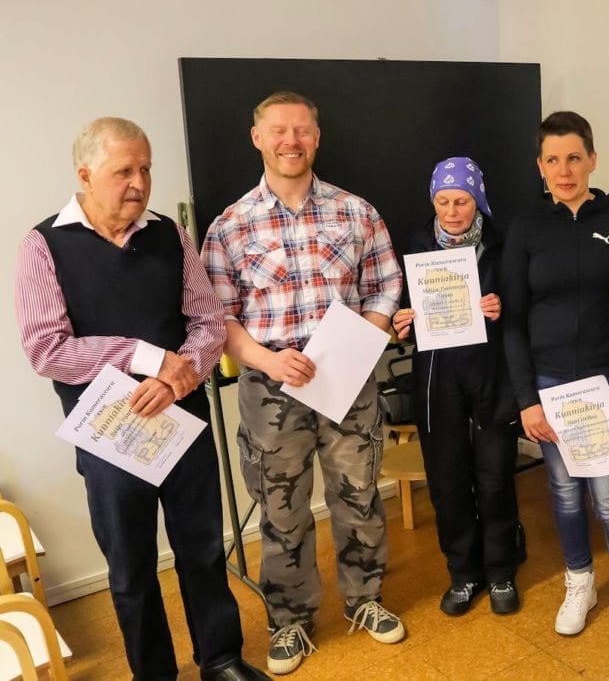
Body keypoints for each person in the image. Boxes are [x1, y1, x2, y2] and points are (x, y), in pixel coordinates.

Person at [14, 117, 268, 681]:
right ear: (85, 175)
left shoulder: (169, 235)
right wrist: (145, 357)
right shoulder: (43, 245)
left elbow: (208, 323)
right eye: (124, 171)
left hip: (183, 420)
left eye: (146, 168)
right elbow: (46, 350)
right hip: (109, 435)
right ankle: (153, 673)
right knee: (130, 566)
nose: (139, 182)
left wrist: (177, 378)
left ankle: (221, 658)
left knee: (203, 548)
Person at [201, 91, 405, 675]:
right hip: (271, 389)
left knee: (359, 495)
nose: (291, 141)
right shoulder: (229, 226)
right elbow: (219, 319)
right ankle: (290, 620)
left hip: (349, 382)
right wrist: (267, 361)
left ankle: (365, 600)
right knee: (281, 510)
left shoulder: (357, 212)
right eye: (279, 130)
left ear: (316, 138)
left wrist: (358, 342)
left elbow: (384, 287)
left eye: (302, 131)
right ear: (257, 138)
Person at [502, 111, 609, 659]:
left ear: (592, 159)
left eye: (573, 158)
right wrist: (527, 400)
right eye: (553, 160)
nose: (564, 170)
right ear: (539, 167)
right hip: (549, 386)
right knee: (565, 493)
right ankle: (580, 583)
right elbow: (513, 321)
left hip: (607, 383)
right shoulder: (526, 228)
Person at [391, 157, 522, 616]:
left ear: (478, 201)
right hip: (436, 376)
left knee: (495, 476)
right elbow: (401, 309)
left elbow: (523, 305)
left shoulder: (503, 244)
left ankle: (501, 569)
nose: (451, 211)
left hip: (493, 373)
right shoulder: (415, 244)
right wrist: (401, 321)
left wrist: (503, 307)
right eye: (443, 201)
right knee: (448, 480)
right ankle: (464, 573)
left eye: (462, 201)